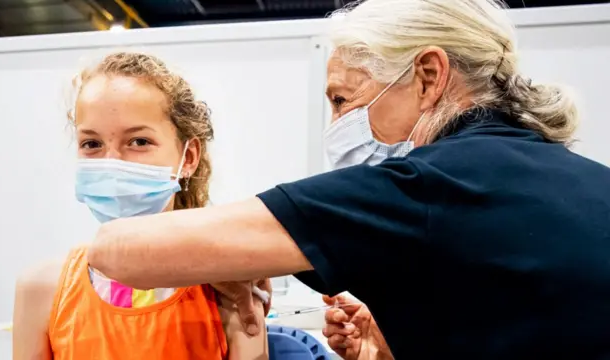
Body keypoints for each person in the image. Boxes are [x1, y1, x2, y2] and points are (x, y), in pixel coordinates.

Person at [87, 0, 610, 358]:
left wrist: (225, 262)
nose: (338, 126)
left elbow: (120, 250)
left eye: (342, 100)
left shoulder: (420, 188)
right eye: (91, 142)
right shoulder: (591, 182)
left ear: (428, 77)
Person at [12, 52, 269, 360]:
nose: (112, 163)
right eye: (92, 144)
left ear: (187, 158)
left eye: (138, 142)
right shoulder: (44, 288)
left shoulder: (229, 287)